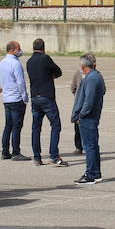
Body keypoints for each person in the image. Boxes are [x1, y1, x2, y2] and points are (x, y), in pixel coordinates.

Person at [25, 38, 68, 167]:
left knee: (36, 128)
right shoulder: (45, 58)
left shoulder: (29, 61)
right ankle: (54, 155)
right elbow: (58, 71)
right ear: (43, 48)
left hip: (34, 97)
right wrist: (51, 76)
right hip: (46, 96)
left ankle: (37, 157)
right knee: (56, 125)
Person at [69, 53, 106, 185]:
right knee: (93, 146)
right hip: (92, 116)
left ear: (83, 65)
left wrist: (81, 114)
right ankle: (95, 173)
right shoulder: (96, 76)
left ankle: (91, 174)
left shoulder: (91, 78)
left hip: (88, 118)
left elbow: (89, 100)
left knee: (89, 147)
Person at [0, 40, 29, 161]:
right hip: (16, 98)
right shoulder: (15, 64)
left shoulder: (2, 63)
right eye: (18, 49)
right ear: (12, 50)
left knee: (8, 126)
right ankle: (16, 152)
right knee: (16, 127)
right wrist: (24, 96)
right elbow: (20, 82)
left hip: (6, 98)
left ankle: (5, 151)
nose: (19, 51)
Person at [69, 66, 84, 154]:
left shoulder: (96, 74)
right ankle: (79, 146)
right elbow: (73, 87)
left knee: (91, 125)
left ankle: (83, 147)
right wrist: (78, 96)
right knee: (77, 124)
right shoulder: (78, 73)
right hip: (79, 103)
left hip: (85, 103)